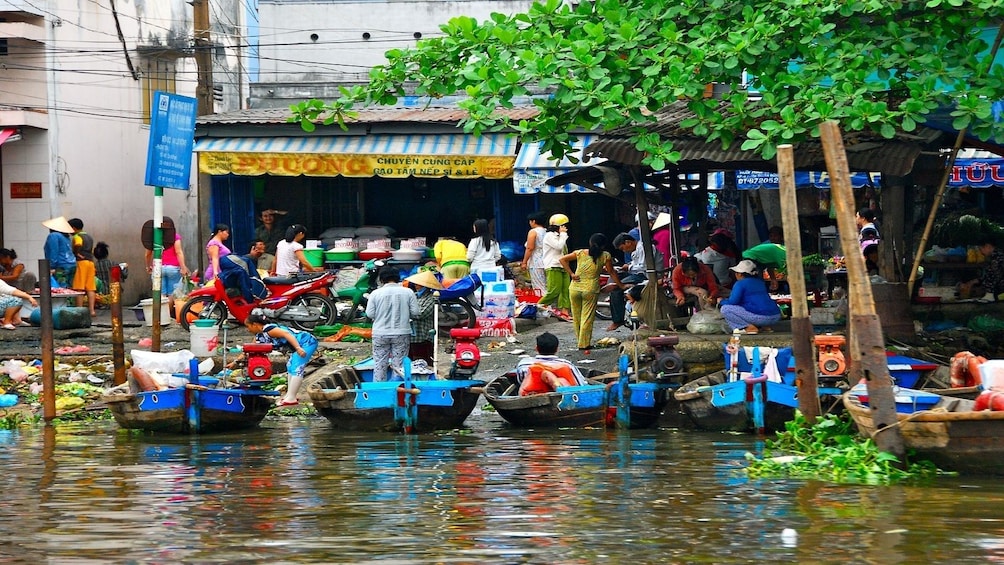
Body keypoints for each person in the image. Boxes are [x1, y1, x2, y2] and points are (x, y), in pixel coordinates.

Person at [236, 311, 318, 407]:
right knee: (290, 367)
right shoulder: (260, 336)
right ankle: (289, 395)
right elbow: (249, 350)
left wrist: (298, 348)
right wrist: (235, 362)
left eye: (248, 326)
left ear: (254, 325)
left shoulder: (269, 329)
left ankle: (291, 398)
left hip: (306, 343)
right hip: (297, 347)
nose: (248, 330)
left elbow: (287, 334)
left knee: (296, 367)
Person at [559, 233, 621, 350]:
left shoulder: (580, 253)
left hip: (574, 288)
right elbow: (612, 272)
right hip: (590, 289)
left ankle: (580, 341)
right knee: (587, 317)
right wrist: (621, 285)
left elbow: (562, 259)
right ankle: (584, 344)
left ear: (590, 243)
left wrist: (571, 274)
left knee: (577, 316)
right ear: (603, 246)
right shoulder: (605, 255)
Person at [366, 266, 420, 382]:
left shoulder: (375, 293)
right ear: (398, 278)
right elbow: (416, 312)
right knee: (399, 365)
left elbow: (370, 314)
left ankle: (379, 389)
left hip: (380, 333)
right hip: (401, 333)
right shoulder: (408, 292)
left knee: (379, 363)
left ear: (381, 279)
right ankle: (397, 391)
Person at [607, 232, 663, 331]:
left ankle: (618, 320)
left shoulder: (643, 248)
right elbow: (637, 263)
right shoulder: (636, 250)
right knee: (617, 278)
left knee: (616, 289)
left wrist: (629, 267)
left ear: (628, 242)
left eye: (623, 248)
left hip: (648, 276)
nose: (624, 251)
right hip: (639, 274)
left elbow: (644, 266)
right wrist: (626, 267)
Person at [718, 259, 781, 334]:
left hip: (761, 317)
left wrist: (721, 301)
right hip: (775, 316)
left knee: (725, 309)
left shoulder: (740, 283)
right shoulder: (760, 282)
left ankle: (748, 327)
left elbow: (733, 301)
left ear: (739, 274)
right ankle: (765, 327)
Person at [515, 332, 588, 395]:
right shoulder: (567, 364)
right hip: (566, 397)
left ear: (537, 348)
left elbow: (520, 382)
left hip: (531, 396)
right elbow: (582, 385)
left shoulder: (524, 364)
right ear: (557, 349)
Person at [145, 232, 190, 317]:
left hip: (158, 267)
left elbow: (147, 254)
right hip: (173, 268)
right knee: (171, 294)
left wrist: (148, 266)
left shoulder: (154, 236)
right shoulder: (174, 235)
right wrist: (183, 267)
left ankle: (160, 317)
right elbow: (178, 252)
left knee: (160, 293)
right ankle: (167, 316)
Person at [403, 270, 442, 365]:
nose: (416, 286)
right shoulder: (414, 296)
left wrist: (405, 312)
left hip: (423, 336)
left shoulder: (432, 298)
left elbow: (422, 313)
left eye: (419, 284)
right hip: (410, 335)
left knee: (423, 363)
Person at [539, 213, 571, 320]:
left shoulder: (560, 236)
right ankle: (538, 306)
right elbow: (558, 246)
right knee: (554, 290)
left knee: (565, 290)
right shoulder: (549, 236)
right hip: (553, 266)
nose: (565, 228)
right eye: (563, 225)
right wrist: (562, 235)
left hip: (563, 266)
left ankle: (565, 312)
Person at [741, 226, 786, 292]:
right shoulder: (775, 247)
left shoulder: (780, 247)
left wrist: (773, 279)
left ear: (782, 237)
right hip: (750, 259)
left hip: (756, 260)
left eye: (775, 236)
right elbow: (785, 266)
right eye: (771, 236)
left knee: (758, 282)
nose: (773, 238)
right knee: (757, 282)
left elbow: (769, 265)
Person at [68, 218, 97, 316]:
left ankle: (79, 310)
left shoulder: (77, 236)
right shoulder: (89, 237)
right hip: (90, 262)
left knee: (79, 287)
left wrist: (77, 253)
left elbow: (78, 244)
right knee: (90, 288)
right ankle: (92, 310)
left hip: (82, 262)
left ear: (74, 228)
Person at [42, 216, 76, 288]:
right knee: (69, 287)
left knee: (61, 289)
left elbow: (53, 251)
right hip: (72, 264)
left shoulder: (53, 236)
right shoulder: (66, 237)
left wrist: (51, 266)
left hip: (60, 266)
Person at [520, 211, 549, 294]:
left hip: (536, 262)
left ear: (534, 221)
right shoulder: (547, 231)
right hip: (546, 260)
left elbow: (530, 248)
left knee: (539, 286)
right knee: (547, 285)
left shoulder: (533, 232)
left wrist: (524, 262)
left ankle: (542, 304)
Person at [254, 209, 287, 273]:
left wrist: (275, 211)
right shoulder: (258, 231)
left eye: (270, 215)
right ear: (261, 218)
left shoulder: (280, 228)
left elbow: (288, 215)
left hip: (280, 255)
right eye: (265, 216)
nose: (268, 218)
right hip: (265, 256)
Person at [856, 208, 881, 275]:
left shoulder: (868, 231)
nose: (856, 219)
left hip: (868, 265)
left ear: (863, 218)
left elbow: (869, 249)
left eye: (857, 216)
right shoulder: (873, 228)